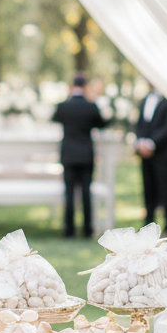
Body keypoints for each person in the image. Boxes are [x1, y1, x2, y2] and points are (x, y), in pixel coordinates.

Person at [52, 75, 108, 238]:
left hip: (68, 154)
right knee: (86, 193)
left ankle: (69, 230)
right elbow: (102, 123)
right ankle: (87, 230)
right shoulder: (91, 106)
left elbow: (55, 119)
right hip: (85, 154)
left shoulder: (63, 106)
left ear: (72, 86)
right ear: (85, 87)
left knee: (69, 193)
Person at [135, 86, 167, 234]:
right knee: (148, 189)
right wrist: (140, 142)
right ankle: (148, 224)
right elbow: (140, 123)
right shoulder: (145, 99)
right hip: (145, 153)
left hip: (164, 153)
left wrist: (151, 143)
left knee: (166, 190)